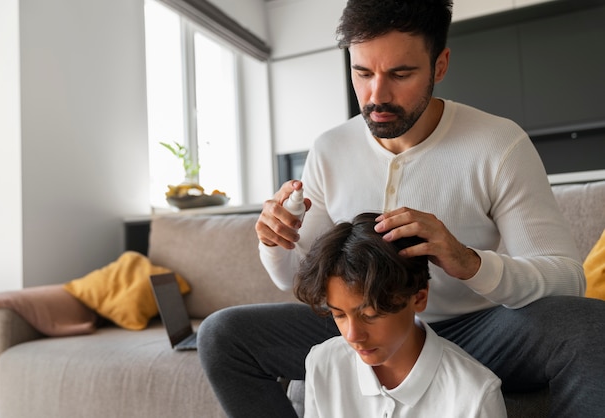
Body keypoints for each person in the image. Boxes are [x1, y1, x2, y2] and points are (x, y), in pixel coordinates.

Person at [198, 0, 605, 417]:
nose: (377, 95)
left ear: (440, 65)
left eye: (401, 74)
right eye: (362, 72)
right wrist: (275, 240)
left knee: (591, 328)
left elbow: (566, 281)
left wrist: (467, 261)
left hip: (478, 331)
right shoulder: (329, 149)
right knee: (222, 334)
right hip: (367, 325)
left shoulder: (498, 144)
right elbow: (293, 279)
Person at [295, 212, 507, 417]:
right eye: (338, 315)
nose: (352, 336)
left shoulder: (475, 396)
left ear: (419, 298)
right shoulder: (322, 362)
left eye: (370, 314)